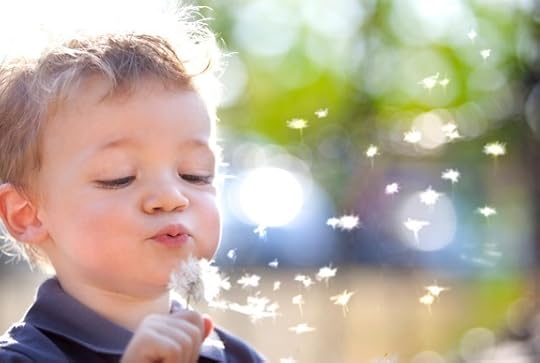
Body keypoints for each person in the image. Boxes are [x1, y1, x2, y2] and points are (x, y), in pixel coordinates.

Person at [0, 3, 265, 362]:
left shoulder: (236, 356)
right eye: (119, 177)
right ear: (26, 213)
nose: (171, 197)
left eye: (194, 174)